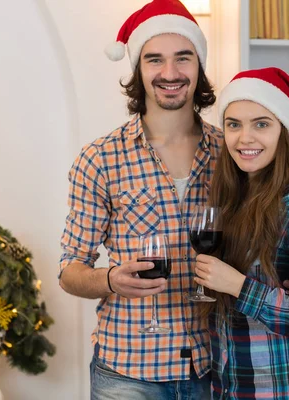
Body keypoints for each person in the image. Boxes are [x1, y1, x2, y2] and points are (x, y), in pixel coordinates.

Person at [58, 0, 218, 398]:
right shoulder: (100, 158)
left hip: (217, 363)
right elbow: (70, 271)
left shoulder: (230, 151)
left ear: (198, 67)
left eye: (183, 58)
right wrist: (110, 279)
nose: (170, 73)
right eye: (154, 60)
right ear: (137, 70)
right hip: (128, 373)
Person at [193, 67, 289, 399]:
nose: (245, 138)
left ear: (283, 133)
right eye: (234, 124)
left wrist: (237, 285)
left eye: (261, 124)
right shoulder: (230, 198)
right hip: (232, 390)